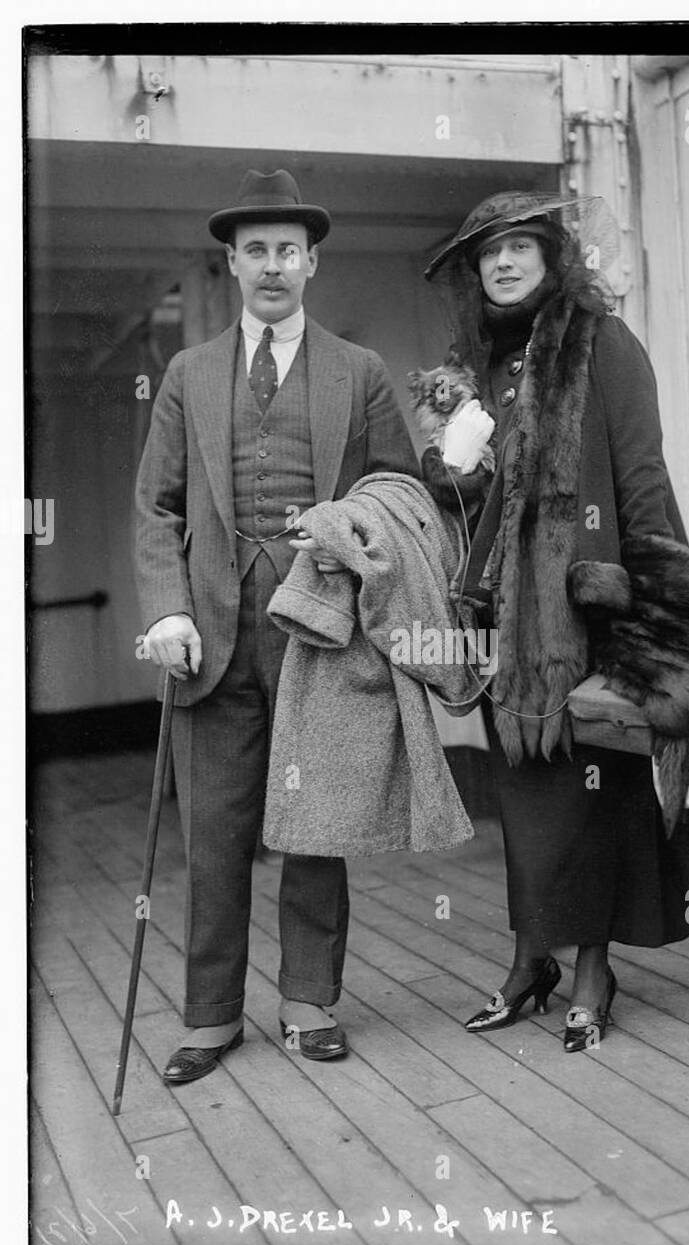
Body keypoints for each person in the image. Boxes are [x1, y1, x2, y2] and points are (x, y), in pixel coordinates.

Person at [134, 169, 417, 1083]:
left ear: (312, 263)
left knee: (313, 824)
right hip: (210, 637)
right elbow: (156, 507)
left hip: (317, 630)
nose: (271, 266)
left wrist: (346, 535)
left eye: (286, 251)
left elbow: (399, 494)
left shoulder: (359, 371)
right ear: (230, 263)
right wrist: (168, 610)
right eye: (254, 250)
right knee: (213, 833)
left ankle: (307, 1004)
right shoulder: (187, 373)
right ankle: (211, 1018)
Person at [420, 191, 689, 1052]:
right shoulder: (475, 367)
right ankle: (530, 959)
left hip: (589, 608)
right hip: (507, 622)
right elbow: (473, 505)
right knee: (528, 793)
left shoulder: (602, 344)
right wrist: (451, 465)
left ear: (549, 255)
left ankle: (591, 971)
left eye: (517, 248)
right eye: (486, 254)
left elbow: (642, 474)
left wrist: (658, 601)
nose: (501, 264)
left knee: (598, 790)